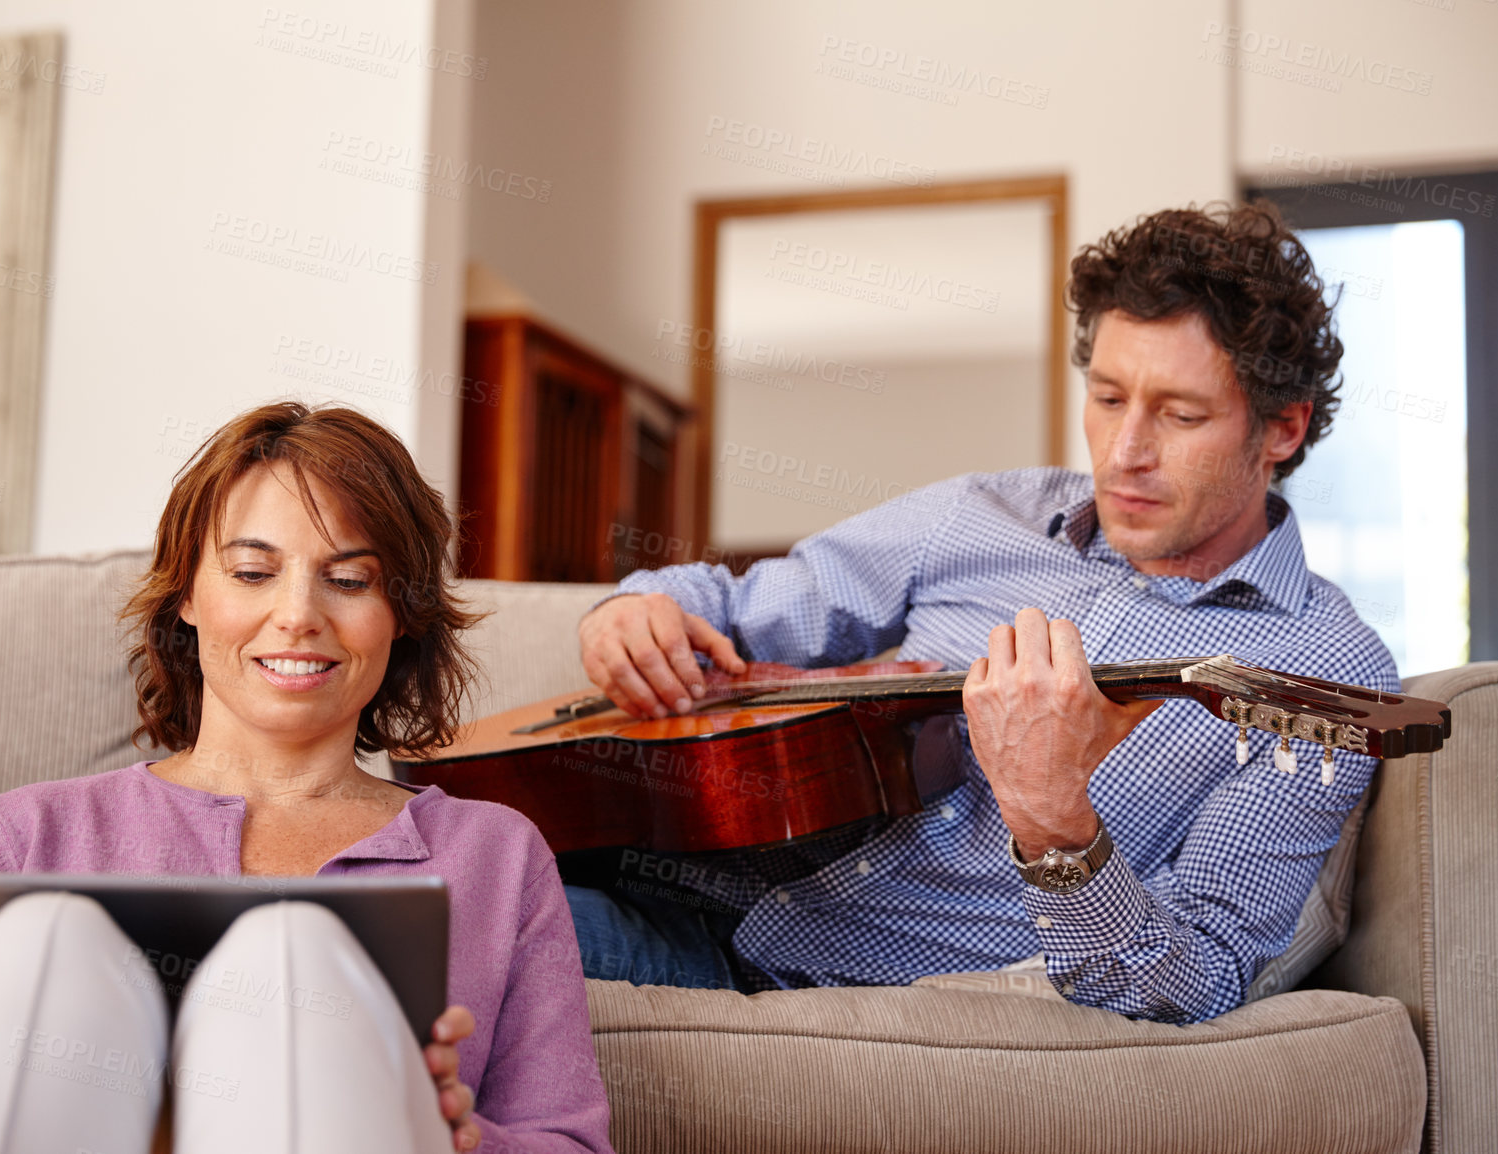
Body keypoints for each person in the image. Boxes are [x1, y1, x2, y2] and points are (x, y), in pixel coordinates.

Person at [566, 201, 1397, 1024]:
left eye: (1180, 415)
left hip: (800, 991)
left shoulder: (1324, 672)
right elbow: (738, 609)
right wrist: (637, 610)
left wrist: (1053, 819)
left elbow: (1195, 979)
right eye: (1107, 399)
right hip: (658, 870)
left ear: (1281, 430)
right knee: (450, 861)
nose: (1125, 453)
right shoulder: (977, 513)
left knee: (458, 925)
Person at [0, 403, 612, 1153]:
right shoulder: (24, 833)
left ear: (401, 612)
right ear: (187, 592)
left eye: (348, 580)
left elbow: (569, 1143)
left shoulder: (497, 854)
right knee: (51, 937)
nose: (296, 615)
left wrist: (453, 1133)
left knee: (295, 957)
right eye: (253, 572)